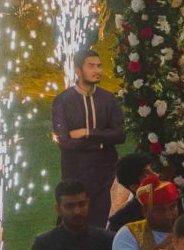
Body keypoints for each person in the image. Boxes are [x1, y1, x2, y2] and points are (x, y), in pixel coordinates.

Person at [51, 49, 128, 226]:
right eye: (91, 66)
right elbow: (65, 142)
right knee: (75, 222)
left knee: (104, 222)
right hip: (76, 173)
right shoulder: (63, 101)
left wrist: (87, 133)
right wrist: (101, 143)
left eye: (99, 66)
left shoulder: (108, 99)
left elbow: (120, 134)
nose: (97, 71)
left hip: (105, 173)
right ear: (78, 70)